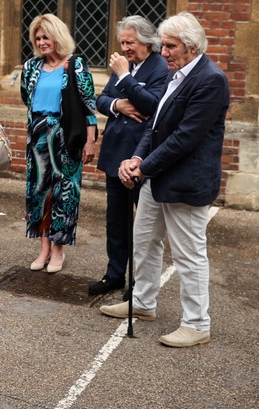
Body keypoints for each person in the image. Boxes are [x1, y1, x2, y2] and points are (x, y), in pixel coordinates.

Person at [100, 12, 230, 348]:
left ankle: (197, 323)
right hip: (156, 177)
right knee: (144, 241)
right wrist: (136, 158)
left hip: (186, 182)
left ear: (191, 46)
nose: (164, 51)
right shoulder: (177, 74)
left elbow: (185, 138)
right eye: (164, 45)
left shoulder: (210, 79)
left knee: (188, 254)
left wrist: (143, 168)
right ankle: (143, 303)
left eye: (170, 46)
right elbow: (155, 126)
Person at [89, 16, 168, 295]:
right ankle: (114, 274)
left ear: (147, 41)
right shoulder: (125, 65)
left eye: (130, 42)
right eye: (122, 43)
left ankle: (138, 283)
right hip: (115, 153)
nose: (125, 48)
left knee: (143, 226)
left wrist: (124, 78)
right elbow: (100, 100)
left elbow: (153, 105)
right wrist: (117, 105)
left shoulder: (161, 67)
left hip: (141, 156)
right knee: (116, 221)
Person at [20, 14, 97, 274]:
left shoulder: (75, 65)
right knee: (39, 191)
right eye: (38, 38)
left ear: (58, 37)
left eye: (46, 37)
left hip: (66, 137)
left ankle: (58, 249)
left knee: (64, 193)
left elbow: (89, 106)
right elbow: (26, 98)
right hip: (37, 136)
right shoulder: (31, 67)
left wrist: (90, 140)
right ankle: (43, 247)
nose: (42, 42)